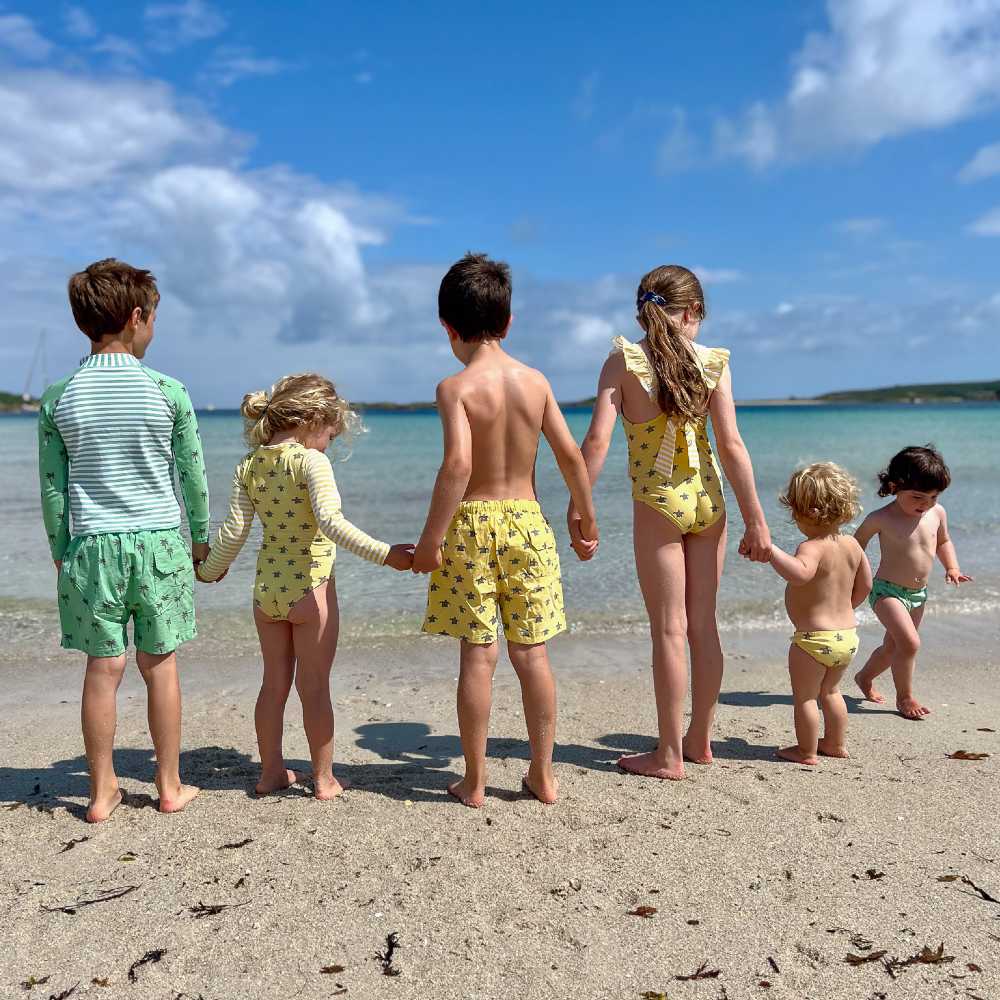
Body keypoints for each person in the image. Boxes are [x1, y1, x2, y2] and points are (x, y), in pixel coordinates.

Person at [569, 264, 770, 780]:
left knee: (668, 630)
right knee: (704, 626)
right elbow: (732, 447)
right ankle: (699, 740)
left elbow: (596, 443)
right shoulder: (714, 363)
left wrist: (579, 507)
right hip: (710, 504)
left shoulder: (623, 363)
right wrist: (757, 522)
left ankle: (669, 754)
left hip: (658, 506)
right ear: (693, 312)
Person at [412, 253, 597, 808]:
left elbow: (458, 467)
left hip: (472, 523)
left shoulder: (455, 388)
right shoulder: (535, 381)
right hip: (527, 521)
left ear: (447, 327)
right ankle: (542, 774)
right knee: (532, 654)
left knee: (478, 654)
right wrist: (585, 516)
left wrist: (430, 539)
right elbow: (569, 454)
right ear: (509, 321)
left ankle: (474, 781)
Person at [38, 258, 207, 822]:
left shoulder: (59, 397)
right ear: (137, 317)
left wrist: (62, 551)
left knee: (101, 669)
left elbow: (54, 490)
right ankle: (168, 785)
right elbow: (192, 477)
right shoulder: (168, 391)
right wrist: (202, 540)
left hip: (91, 549)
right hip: (158, 542)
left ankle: (102, 791)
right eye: (153, 317)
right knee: (160, 665)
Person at [196, 374, 413, 798]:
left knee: (273, 684)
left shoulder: (250, 464)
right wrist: (388, 555)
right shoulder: (311, 463)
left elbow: (233, 532)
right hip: (310, 590)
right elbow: (332, 524)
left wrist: (207, 571)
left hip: (266, 594)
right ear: (313, 418)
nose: (328, 444)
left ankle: (271, 772)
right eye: (330, 435)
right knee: (314, 687)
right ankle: (325, 778)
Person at [853, 445, 971, 719]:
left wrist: (952, 567)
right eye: (918, 496)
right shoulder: (880, 518)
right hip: (886, 591)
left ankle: (864, 677)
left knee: (893, 647)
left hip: (918, 594)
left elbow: (943, 541)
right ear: (895, 486)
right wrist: (852, 580)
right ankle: (905, 697)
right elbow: (854, 548)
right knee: (910, 643)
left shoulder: (937, 513)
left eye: (933, 496)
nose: (925, 503)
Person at [765, 463, 871, 764]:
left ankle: (806, 750)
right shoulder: (852, 545)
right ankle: (835, 744)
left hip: (813, 640)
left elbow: (800, 574)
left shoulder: (811, 547)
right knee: (832, 692)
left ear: (809, 513)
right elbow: (866, 584)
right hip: (847, 637)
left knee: (806, 698)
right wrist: (848, 607)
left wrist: (771, 551)